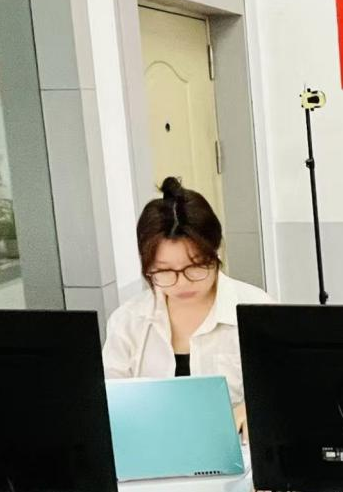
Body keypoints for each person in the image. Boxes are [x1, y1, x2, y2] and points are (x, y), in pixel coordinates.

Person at [102, 176, 273, 439]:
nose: (182, 282)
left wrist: (253, 410)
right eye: (164, 271)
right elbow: (108, 402)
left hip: (237, 455)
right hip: (151, 450)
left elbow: (283, 391)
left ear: (216, 252)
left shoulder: (256, 309)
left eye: (195, 266)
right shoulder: (128, 321)